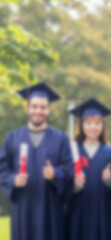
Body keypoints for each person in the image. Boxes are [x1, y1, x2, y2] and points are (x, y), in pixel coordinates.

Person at [0, 82, 74, 240]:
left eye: (42, 107)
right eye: (34, 106)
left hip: (51, 212)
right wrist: (13, 179)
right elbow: (2, 169)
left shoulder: (60, 139)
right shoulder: (13, 138)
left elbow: (70, 170)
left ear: (48, 109)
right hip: (22, 210)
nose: (38, 111)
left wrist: (56, 174)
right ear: (27, 108)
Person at [66, 98, 111, 240]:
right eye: (88, 123)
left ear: (102, 126)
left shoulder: (110, 152)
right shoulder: (72, 152)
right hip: (77, 214)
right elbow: (62, 187)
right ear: (82, 125)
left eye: (97, 123)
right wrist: (74, 186)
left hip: (101, 214)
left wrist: (109, 180)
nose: (93, 127)